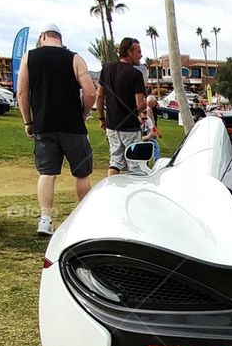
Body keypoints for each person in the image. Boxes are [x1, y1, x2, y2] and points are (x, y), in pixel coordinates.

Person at [17, 24, 96, 237]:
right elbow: (90, 93)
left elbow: (22, 92)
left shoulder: (29, 58)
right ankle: (85, 217)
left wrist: (28, 121)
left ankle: (45, 220)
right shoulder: (75, 58)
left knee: (47, 173)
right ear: (60, 38)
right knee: (81, 174)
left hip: (43, 125)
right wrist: (83, 114)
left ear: (42, 37)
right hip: (73, 127)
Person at [96, 38, 147, 176]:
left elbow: (99, 96)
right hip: (130, 127)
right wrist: (148, 101)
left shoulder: (106, 68)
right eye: (138, 52)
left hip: (112, 125)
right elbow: (140, 105)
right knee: (135, 164)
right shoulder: (136, 74)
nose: (140, 55)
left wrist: (101, 118)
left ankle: (112, 190)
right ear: (129, 52)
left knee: (115, 162)